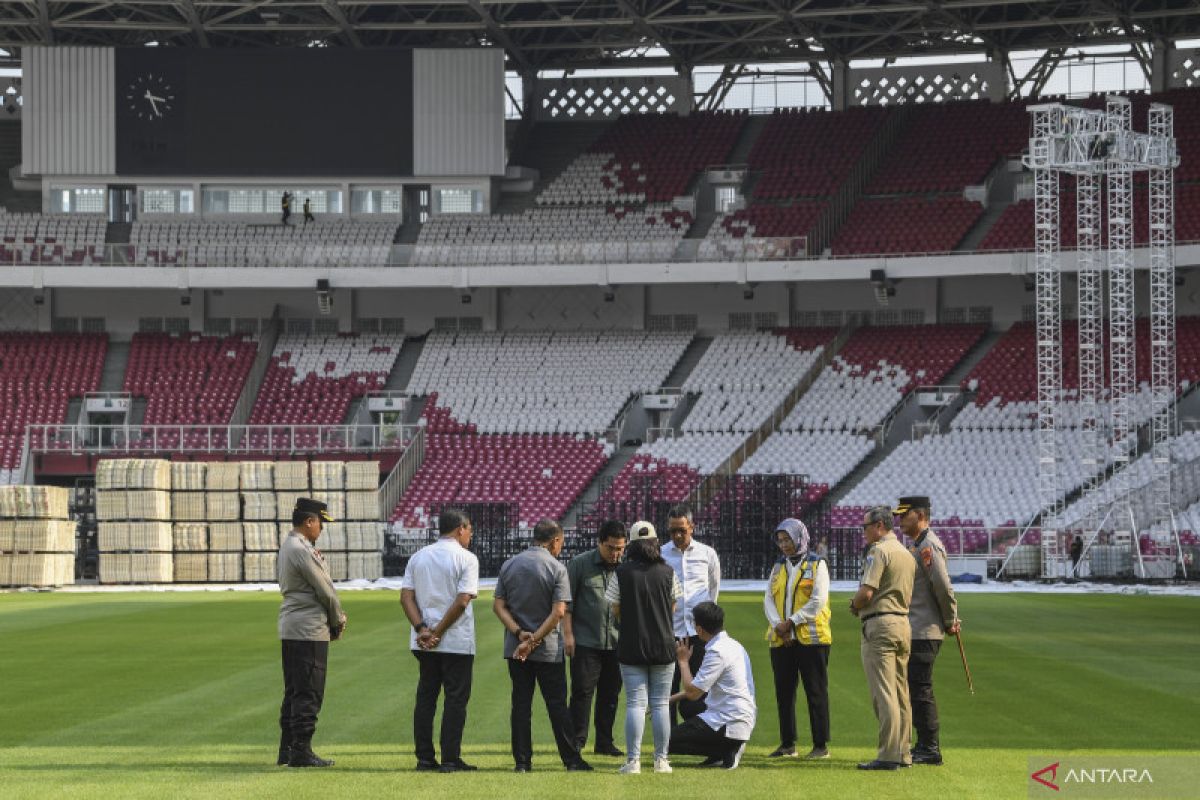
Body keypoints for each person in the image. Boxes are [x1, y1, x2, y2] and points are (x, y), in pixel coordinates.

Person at [493, 518, 593, 773]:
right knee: (557, 705)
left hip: (516, 648)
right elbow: (559, 612)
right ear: (555, 540)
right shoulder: (557, 568)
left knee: (521, 705)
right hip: (547, 649)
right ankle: (571, 759)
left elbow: (499, 606)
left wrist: (519, 634)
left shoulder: (510, 564)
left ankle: (522, 762)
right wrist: (535, 640)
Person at [400, 508, 479, 772]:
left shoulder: (418, 556)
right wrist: (439, 632)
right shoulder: (467, 558)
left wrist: (422, 628)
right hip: (455, 640)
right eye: (469, 530)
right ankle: (450, 757)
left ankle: (424, 757)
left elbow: (406, 597)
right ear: (460, 529)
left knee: (426, 697)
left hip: (423, 641)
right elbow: (462, 600)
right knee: (455, 699)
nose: (470, 535)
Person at [605, 521, 682, 774]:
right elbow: (673, 607)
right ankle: (661, 760)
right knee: (661, 704)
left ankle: (633, 761)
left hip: (631, 644)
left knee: (636, 704)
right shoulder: (668, 571)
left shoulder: (621, 573)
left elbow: (614, 608)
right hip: (664, 644)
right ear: (655, 542)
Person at [276, 498, 346, 768]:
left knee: (294, 690)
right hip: (309, 627)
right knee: (309, 691)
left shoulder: (289, 545)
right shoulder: (302, 549)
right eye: (320, 523)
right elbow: (325, 590)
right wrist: (337, 620)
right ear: (309, 521)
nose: (321, 529)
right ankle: (301, 751)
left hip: (293, 625)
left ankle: (288, 749)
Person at [849, 504, 916, 771]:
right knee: (901, 692)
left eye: (865, 527)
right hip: (902, 623)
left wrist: (854, 605)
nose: (863, 532)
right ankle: (903, 751)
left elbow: (866, 592)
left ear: (879, 526)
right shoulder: (906, 553)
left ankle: (888, 754)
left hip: (880, 623)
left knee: (884, 694)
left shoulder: (879, 551)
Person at [896, 496, 959, 766]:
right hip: (918, 628)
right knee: (915, 687)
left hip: (925, 629)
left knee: (920, 688)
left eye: (904, 514)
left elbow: (942, 586)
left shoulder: (928, 546)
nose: (900, 520)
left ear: (920, 515)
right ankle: (924, 744)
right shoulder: (919, 545)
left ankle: (930, 747)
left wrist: (950, 618)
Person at [763, 518, 832, 760]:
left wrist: (790, 623)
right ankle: (787, 744)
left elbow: (818, 601)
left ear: (800, 538)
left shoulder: (817, 564)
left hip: (812, 640)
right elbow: (768, 599)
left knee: (816, 692)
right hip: (782, 639)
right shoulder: (778, 566)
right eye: (780, 541)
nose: (784, 545)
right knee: (784, 693)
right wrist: (779, 626)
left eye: (788, 540)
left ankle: (821, 745)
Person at [564, 519, 627, 757]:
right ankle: (576, 742)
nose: (615, 553)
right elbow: (566, 604)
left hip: (617, 642)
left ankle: (604, 742)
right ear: (600, 542)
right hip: (585, 642)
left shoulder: (626, 567)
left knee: (610, 694)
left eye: (620, 548)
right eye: (611, 547)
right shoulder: (580, 565)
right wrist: (568, 635)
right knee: (581, 693)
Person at [669, 601, 756, 770]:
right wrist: (669, 699)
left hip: (729, 720)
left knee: (665, 742)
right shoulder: (733, 645)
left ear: (699, 629)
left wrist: (683, 661)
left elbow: (693, 693)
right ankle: (724, 748)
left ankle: (727, 750)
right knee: (688, 708)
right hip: (739, 715)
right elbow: (699, 687)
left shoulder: (717, 652)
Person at [661, 504, 721, 723]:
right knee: (667, 686)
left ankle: (696, 736)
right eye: (672, 531)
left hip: (699, 634)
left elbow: (713, 589)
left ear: (692, 527)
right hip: (670, 632)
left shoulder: (707, 553)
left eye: (682, 530)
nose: (677, 535)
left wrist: (706, 622)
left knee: (700, 688)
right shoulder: (661, 554)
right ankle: (667, 742)